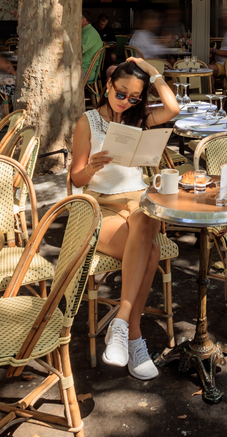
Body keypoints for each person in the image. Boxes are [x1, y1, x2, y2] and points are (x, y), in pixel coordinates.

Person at [69, 58, 179, 380]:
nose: (126, 101)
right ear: (107, 86)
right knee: (153, 251)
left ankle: (121, 324)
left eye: (135, 97)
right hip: (101, 206)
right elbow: (76, 179)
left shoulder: (138, 119)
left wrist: (150, 70)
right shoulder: (86, 122)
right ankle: (132, 334)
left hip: (138, 204)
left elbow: (172, 108)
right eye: (121, 93)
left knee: (145, 216)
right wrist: (91, 168)